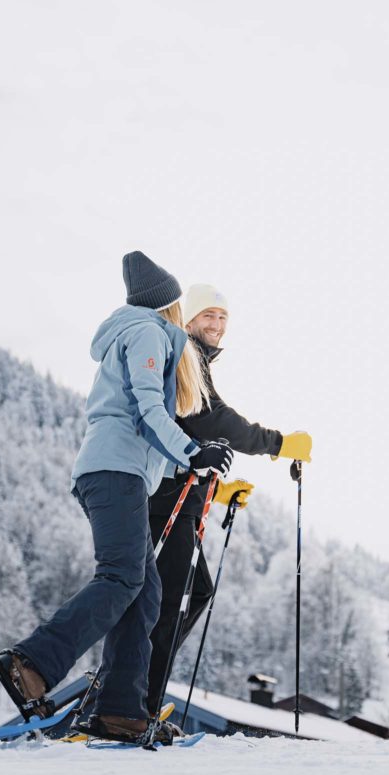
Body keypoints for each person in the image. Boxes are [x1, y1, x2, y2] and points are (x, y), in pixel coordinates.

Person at [0, 254, 233, 742]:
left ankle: (121, 711)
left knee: (146, 594)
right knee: (122, 577)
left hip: (122, 473)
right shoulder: (146, 332)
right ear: (168, 304)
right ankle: (29, 663)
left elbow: (141, 419)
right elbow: (144, 409)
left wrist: (193, 461)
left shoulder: (143, 332)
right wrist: (193, 449)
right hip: (113, 471)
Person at [147, 283, 312, 717]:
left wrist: (219, 492)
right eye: (208, 316)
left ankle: (138, 683)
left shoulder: (195, 361)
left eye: (222, 317)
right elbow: (209, 419)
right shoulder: (184, 356)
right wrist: (277, 444)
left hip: (183, 497)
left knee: (195, 591)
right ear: (189, 320)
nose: (217, 325)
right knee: (168, 604)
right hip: (168, 503)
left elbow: (195, 431)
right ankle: (137, 698)